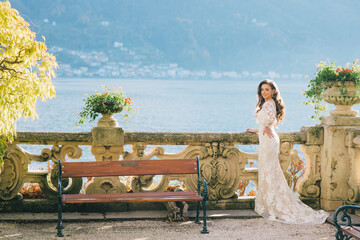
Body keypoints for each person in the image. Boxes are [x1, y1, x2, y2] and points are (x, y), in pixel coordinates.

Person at [246, 79, 329, 224]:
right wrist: (258, 129)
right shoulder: (268, 103)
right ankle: (271, 202)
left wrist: (266, 126)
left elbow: (271, 118)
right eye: (262, 89)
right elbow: (268, 120)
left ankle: (274, 204)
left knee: (269, 172)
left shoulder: (268, 103)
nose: (264, 92)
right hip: (267, 139)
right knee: (270, 172)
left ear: (273, 91)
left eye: (267, 89)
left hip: (268, 141)